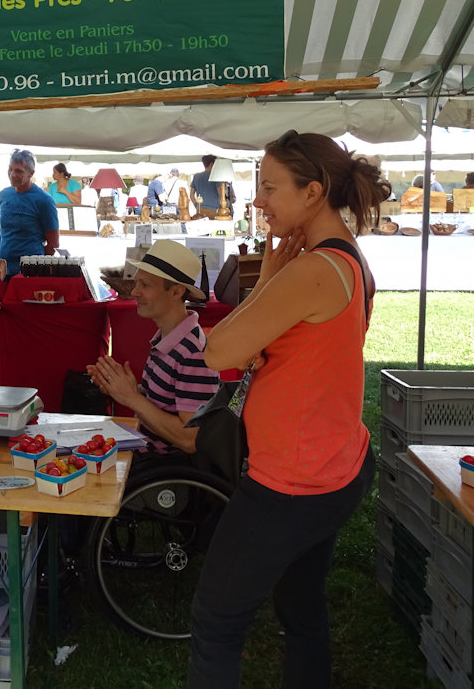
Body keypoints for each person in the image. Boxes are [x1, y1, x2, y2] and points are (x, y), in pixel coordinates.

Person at [187, 130, 387, 689]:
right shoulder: (349, 258)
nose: (259, 200)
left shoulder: (313, 270)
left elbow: (218, 352)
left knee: (215, 621)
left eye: (270, 188)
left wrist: (269, 278)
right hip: (336, 465)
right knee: (301, 607)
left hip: (291, 484)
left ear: (313, 192)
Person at [86, 240, 218, 455]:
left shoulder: (193, 352)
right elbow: (166, 403)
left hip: (162, 466)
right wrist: (122, 388)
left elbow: (190, 440)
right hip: (145, 453)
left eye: (145, 285)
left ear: (176, 292)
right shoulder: (169, 336)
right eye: (137, 283)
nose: (135, 292)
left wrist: (132, 398)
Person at [0, 149, 59, 279]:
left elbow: (53, 244)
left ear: (31, 173)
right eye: (10, 169)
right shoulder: (4, 194)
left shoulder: (44, 200)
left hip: (30, 273)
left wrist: (36, 266)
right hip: (4, 269)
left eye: (19, 171)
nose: (12, 174)